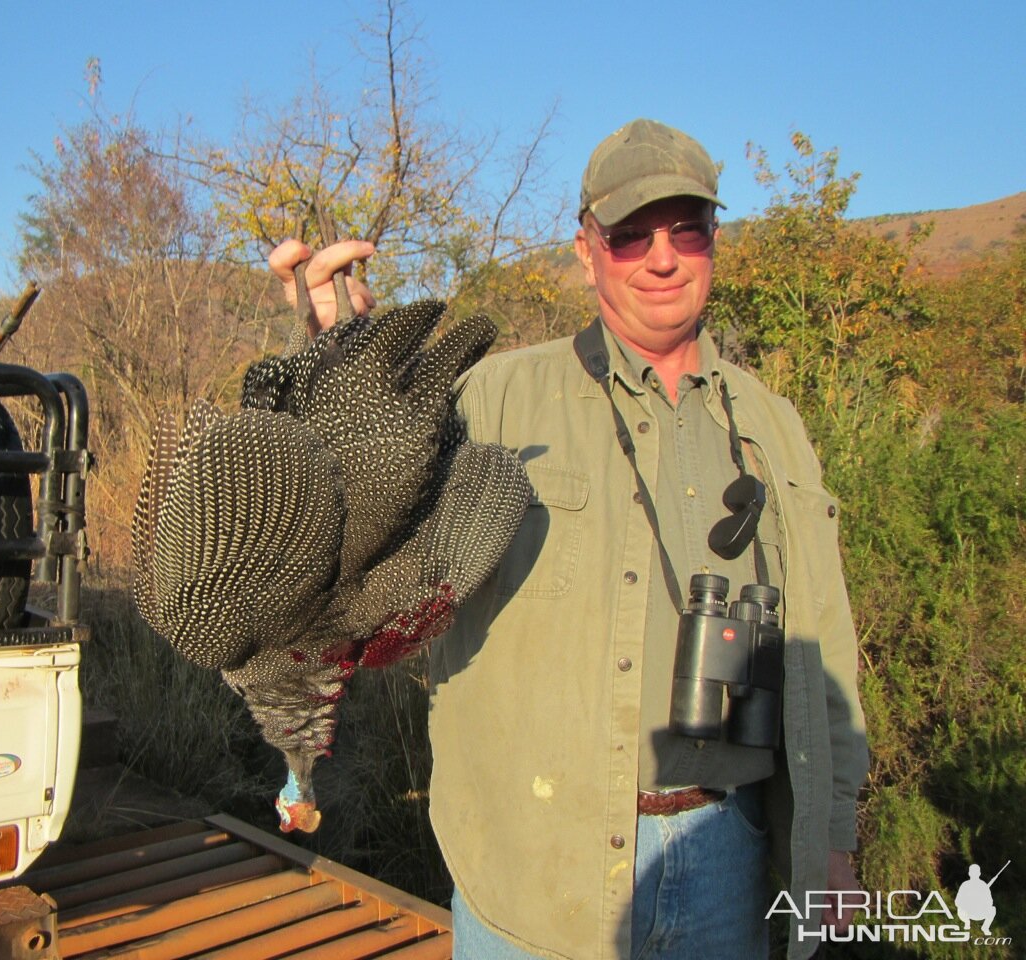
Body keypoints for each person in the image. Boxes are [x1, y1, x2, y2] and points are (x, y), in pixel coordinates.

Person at [269, 118, 869, 959]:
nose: (661, 256)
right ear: (586, 250)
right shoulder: (492, 398)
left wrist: (832, 843)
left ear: (713, 240)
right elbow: (362, 532)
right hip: (528, 870)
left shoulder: (772, 426)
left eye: (685, 227)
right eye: (629, 235)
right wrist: (343, 373)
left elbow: (822, 649)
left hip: (723, 860)